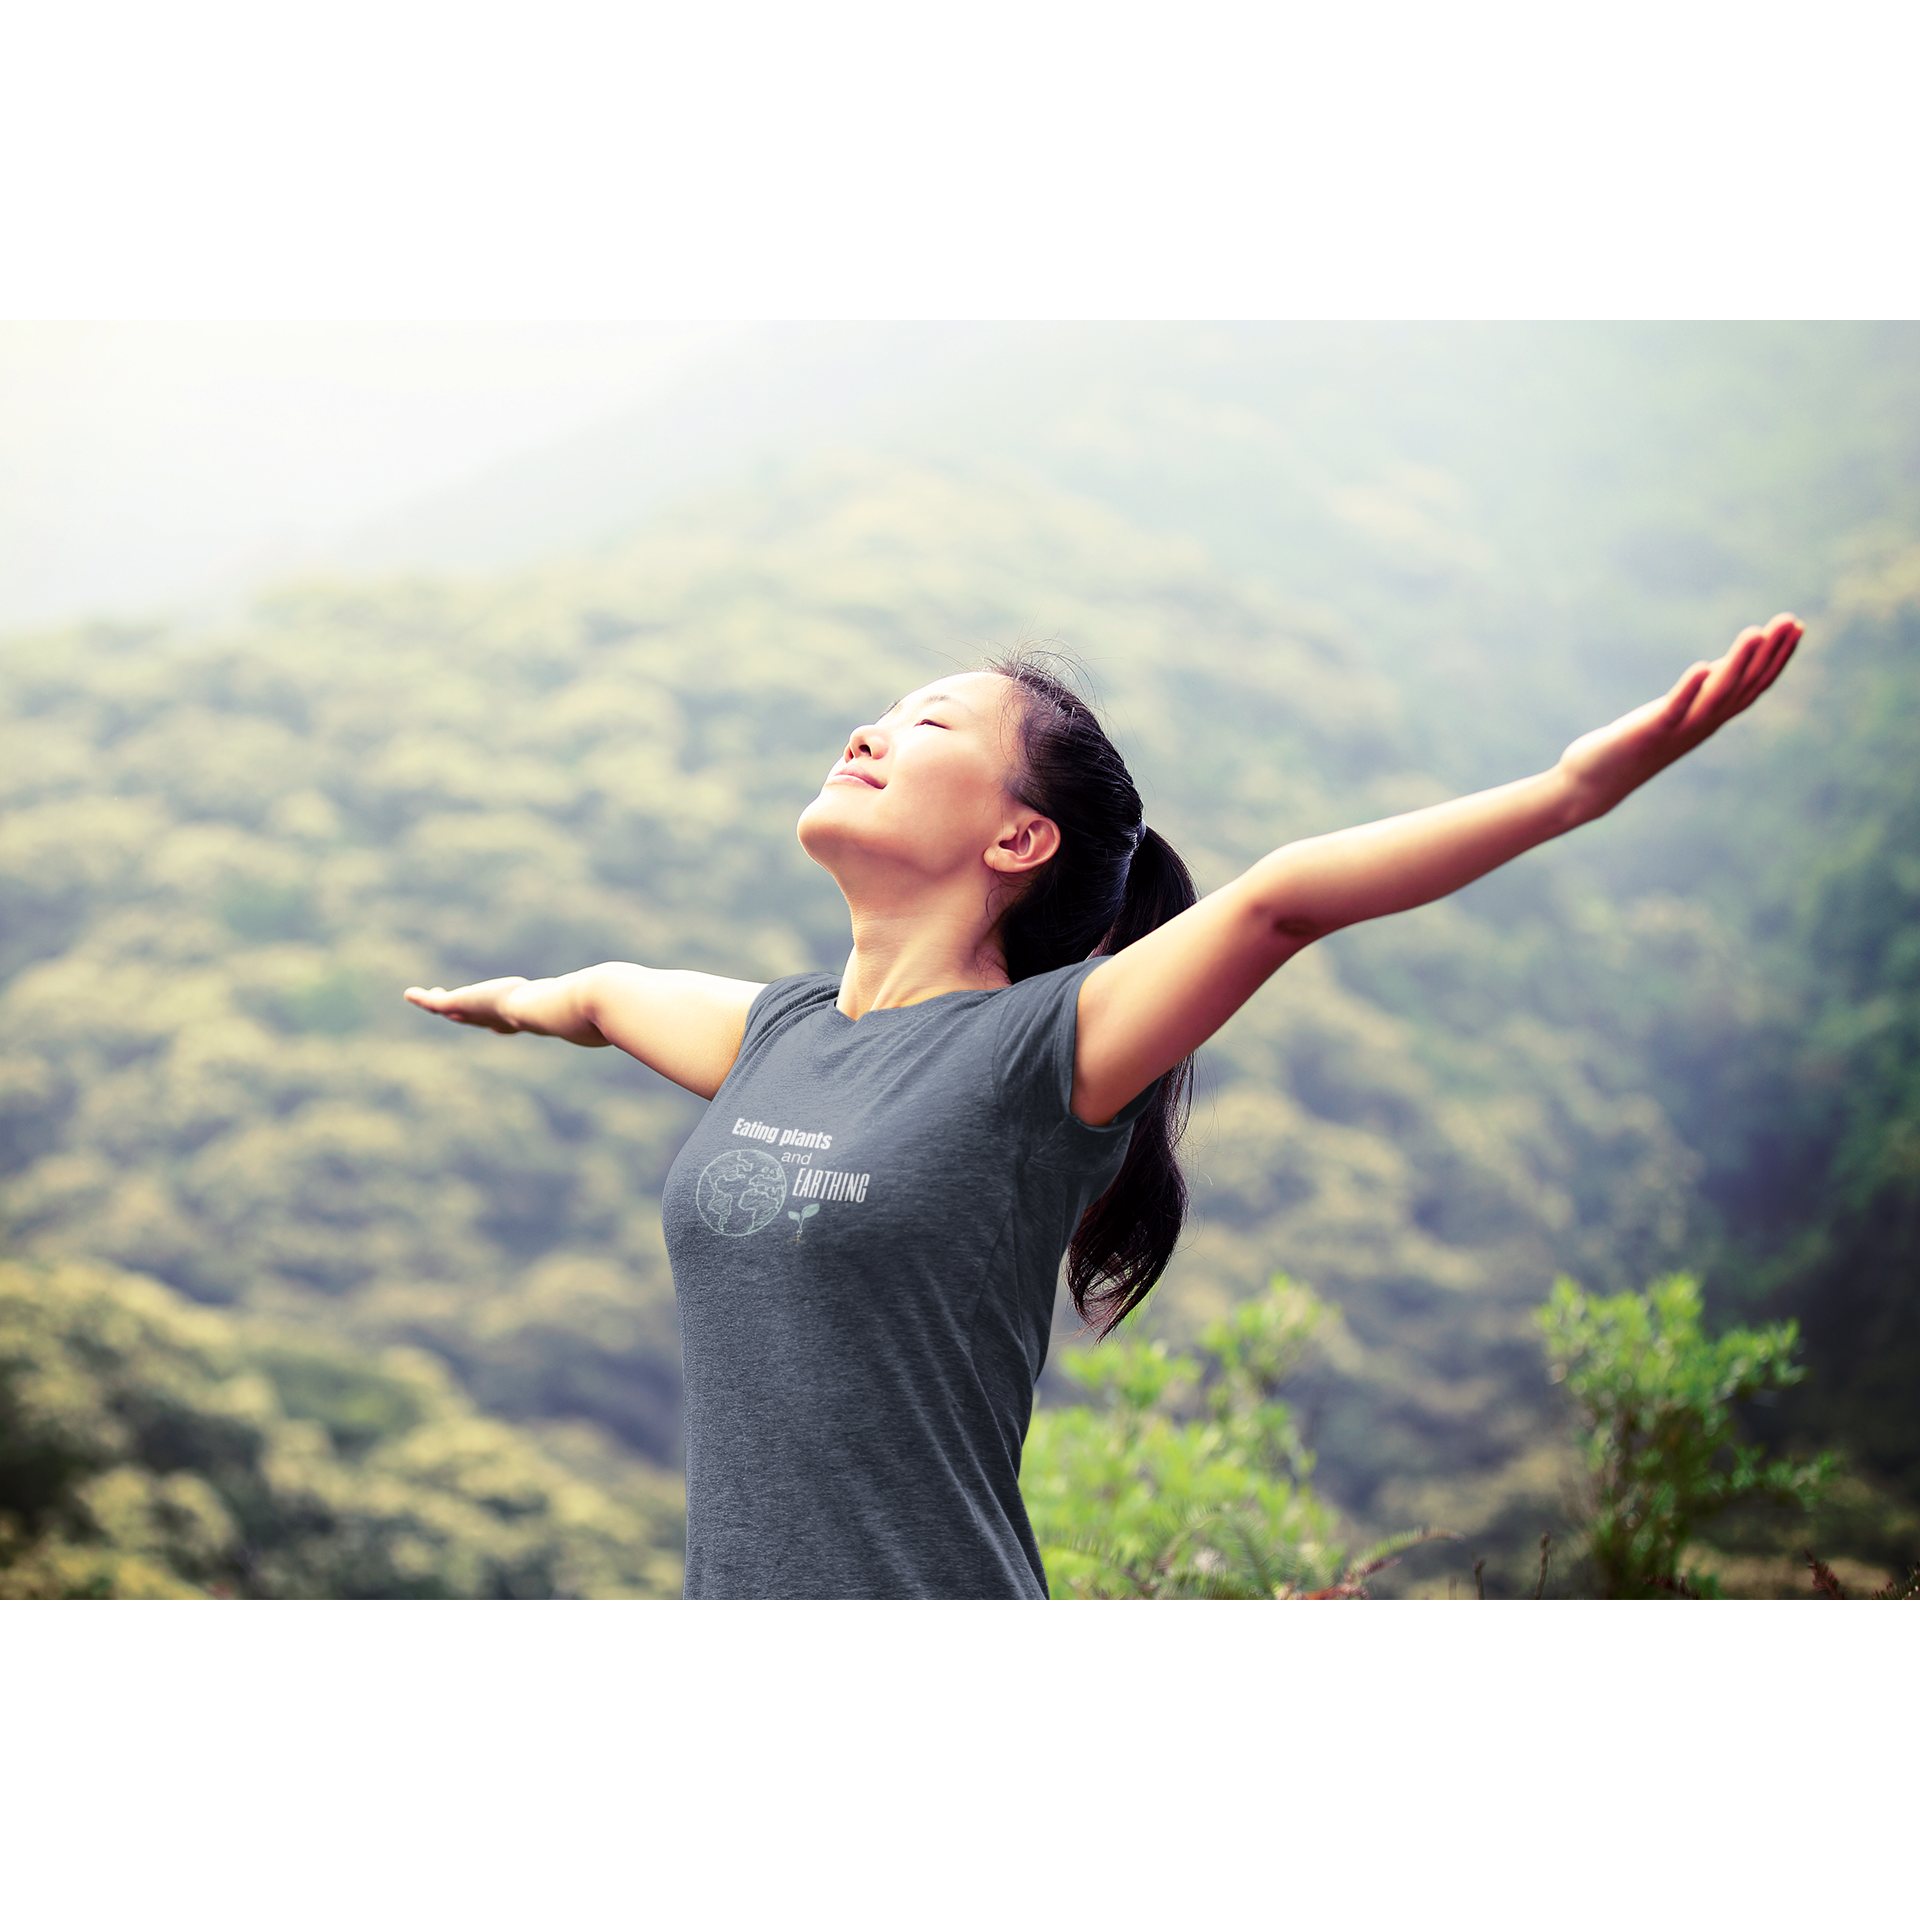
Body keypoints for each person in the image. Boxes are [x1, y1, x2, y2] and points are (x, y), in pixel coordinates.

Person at [405, 613, 1803, 1598]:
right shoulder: (771, 1037)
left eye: (928, 723)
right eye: (884, 712)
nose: (871, 730)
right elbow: (601, 994)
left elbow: (1282, 901)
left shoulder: (1041, 1056)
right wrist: (511, 995)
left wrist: (1572, 792)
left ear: (1019, 837)